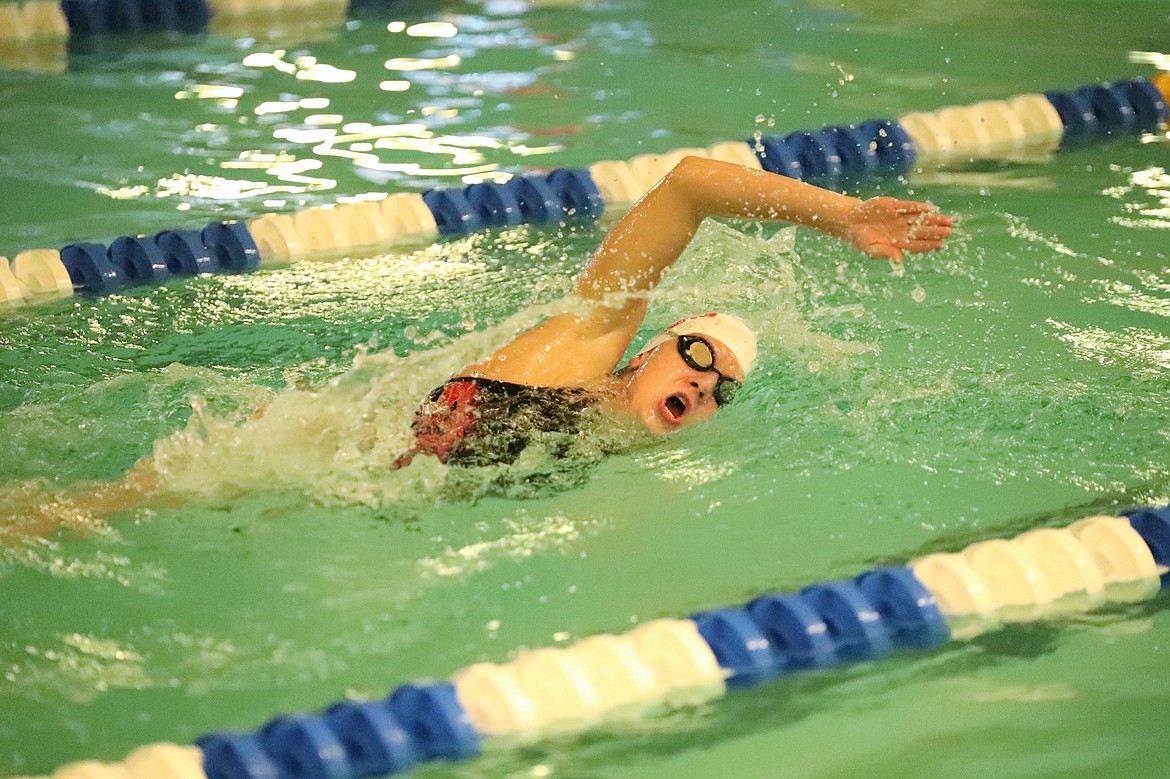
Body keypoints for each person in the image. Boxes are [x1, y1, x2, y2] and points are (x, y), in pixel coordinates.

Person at [392, 155, 952, 469]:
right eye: (700, 354)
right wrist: (844, 217)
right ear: (644, 354)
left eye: (720, 389)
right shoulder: (580, 347)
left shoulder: (605, 452)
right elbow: (688, 186)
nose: (705, 383)